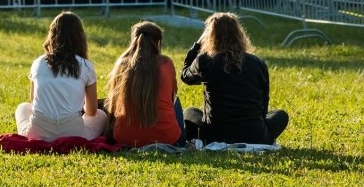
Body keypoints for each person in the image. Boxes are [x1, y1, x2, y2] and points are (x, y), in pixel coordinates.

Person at [180, 12, 288, 145]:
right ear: (240, 34)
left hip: (214, 135)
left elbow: (186, 76)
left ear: (209, 37)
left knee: (189, 112)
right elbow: (263, 106)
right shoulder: (258, 63)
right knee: (281, 115)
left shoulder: (204, 61)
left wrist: (197, 45)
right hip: (254, 134)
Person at [15, 12, 108, 141]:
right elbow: (91, 111)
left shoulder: (38, 63)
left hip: (38, 132)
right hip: (73, 133)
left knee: (23, 107)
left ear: (52, 35)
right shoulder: (86, 66)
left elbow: (33, 102)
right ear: (80, 37)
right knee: (101, 115)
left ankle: (30, 134)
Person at [105, 21, 185, 147]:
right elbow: (171, 97)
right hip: (167, 138)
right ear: (158, 42)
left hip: (124, 138)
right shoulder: (166, 64)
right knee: (177, 102)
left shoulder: (122, 64)